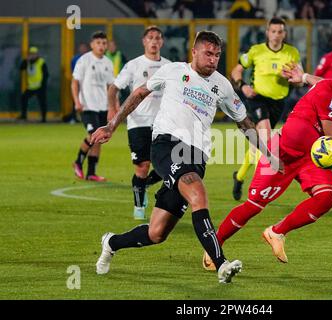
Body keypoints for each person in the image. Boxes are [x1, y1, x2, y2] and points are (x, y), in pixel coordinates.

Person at [91, 31, 282, 283]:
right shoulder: (173, 71)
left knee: (157, 233)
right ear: (194, 51)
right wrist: (112, 125)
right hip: (166, 145)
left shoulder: (222, 85)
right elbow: (138, 93)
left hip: (196, 156)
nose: (213, 59)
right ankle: (221, 264)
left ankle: (112, 242)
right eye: (208, 53)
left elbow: (243, 121)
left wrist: (267, 154)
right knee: (198, 195)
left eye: (217, 55)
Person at [202, 58, 332, 270]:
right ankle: (213, 245)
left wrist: (304, 77)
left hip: (310, 157)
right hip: (281, 154)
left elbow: (320, 81)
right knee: (253, 206)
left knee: (326, 197)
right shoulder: (329, 91)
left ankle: (276, 232)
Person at [231, 17, 301, 201]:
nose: (277, 35)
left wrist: (291, 77)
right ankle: (258, 189)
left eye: (280, 32)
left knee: (258, 144)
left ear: (284, 34)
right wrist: (243, 85)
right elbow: (236, 70)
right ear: (267, 32)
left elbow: (299, 78)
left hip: (278, 102)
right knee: (266, 135)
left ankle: (239, 177)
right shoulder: (256, 51)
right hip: (257, 98)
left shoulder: (292, 53)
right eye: (273, 31)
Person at [107, 26, 169, 220]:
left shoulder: (169, 66)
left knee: (169, 165)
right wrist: (112, 108)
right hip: (138, 122)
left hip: (163, 123)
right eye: (150, 38)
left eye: (158, 38)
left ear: (162, 42)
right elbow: (114, 88)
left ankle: (146, 183)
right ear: (144, 41)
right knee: (142, 166)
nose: (154, 41)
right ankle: (139, 206)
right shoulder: (134, 65)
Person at [71, 31, 114, 182]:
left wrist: (113, 107)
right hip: (87, 106)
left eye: (104, 43)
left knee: (99, 137)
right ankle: (77, 162)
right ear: (92, 45)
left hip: (102, 106)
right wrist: (77, 101)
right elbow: (75, 82)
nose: (101, 46)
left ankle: (91, 173)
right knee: (92, 136)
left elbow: (110, 87)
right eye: (98, 43)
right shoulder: (84, 60)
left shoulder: (108, 63)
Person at [18, 46, 48, 122]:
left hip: (40, 86)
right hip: (31, 86)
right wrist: (25, 60)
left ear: (37, 54)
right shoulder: (27, 62)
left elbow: (46, 74)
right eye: (31, 54)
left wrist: (43, 85)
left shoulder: (41, 62)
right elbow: (21, 68)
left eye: (34, 54)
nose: (32, 55)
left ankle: (44, 119)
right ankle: (24, 115)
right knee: (24, 97)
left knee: (42, 102)